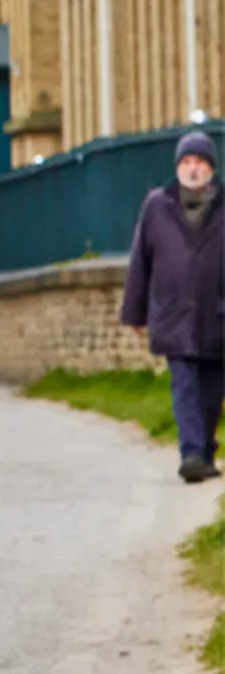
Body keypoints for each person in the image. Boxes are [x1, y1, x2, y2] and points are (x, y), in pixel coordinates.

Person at [123, 130, 225, 482]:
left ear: (211, 168)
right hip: (173, 312)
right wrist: (135, 311)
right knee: (184, 383)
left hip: (217, 314)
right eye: (186, 161)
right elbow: (141, 260)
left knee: (212, 389)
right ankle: (192, 453)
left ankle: (206, 451)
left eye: (199, 162)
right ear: (177, 167)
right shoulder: (156, 205)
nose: (192, 168)